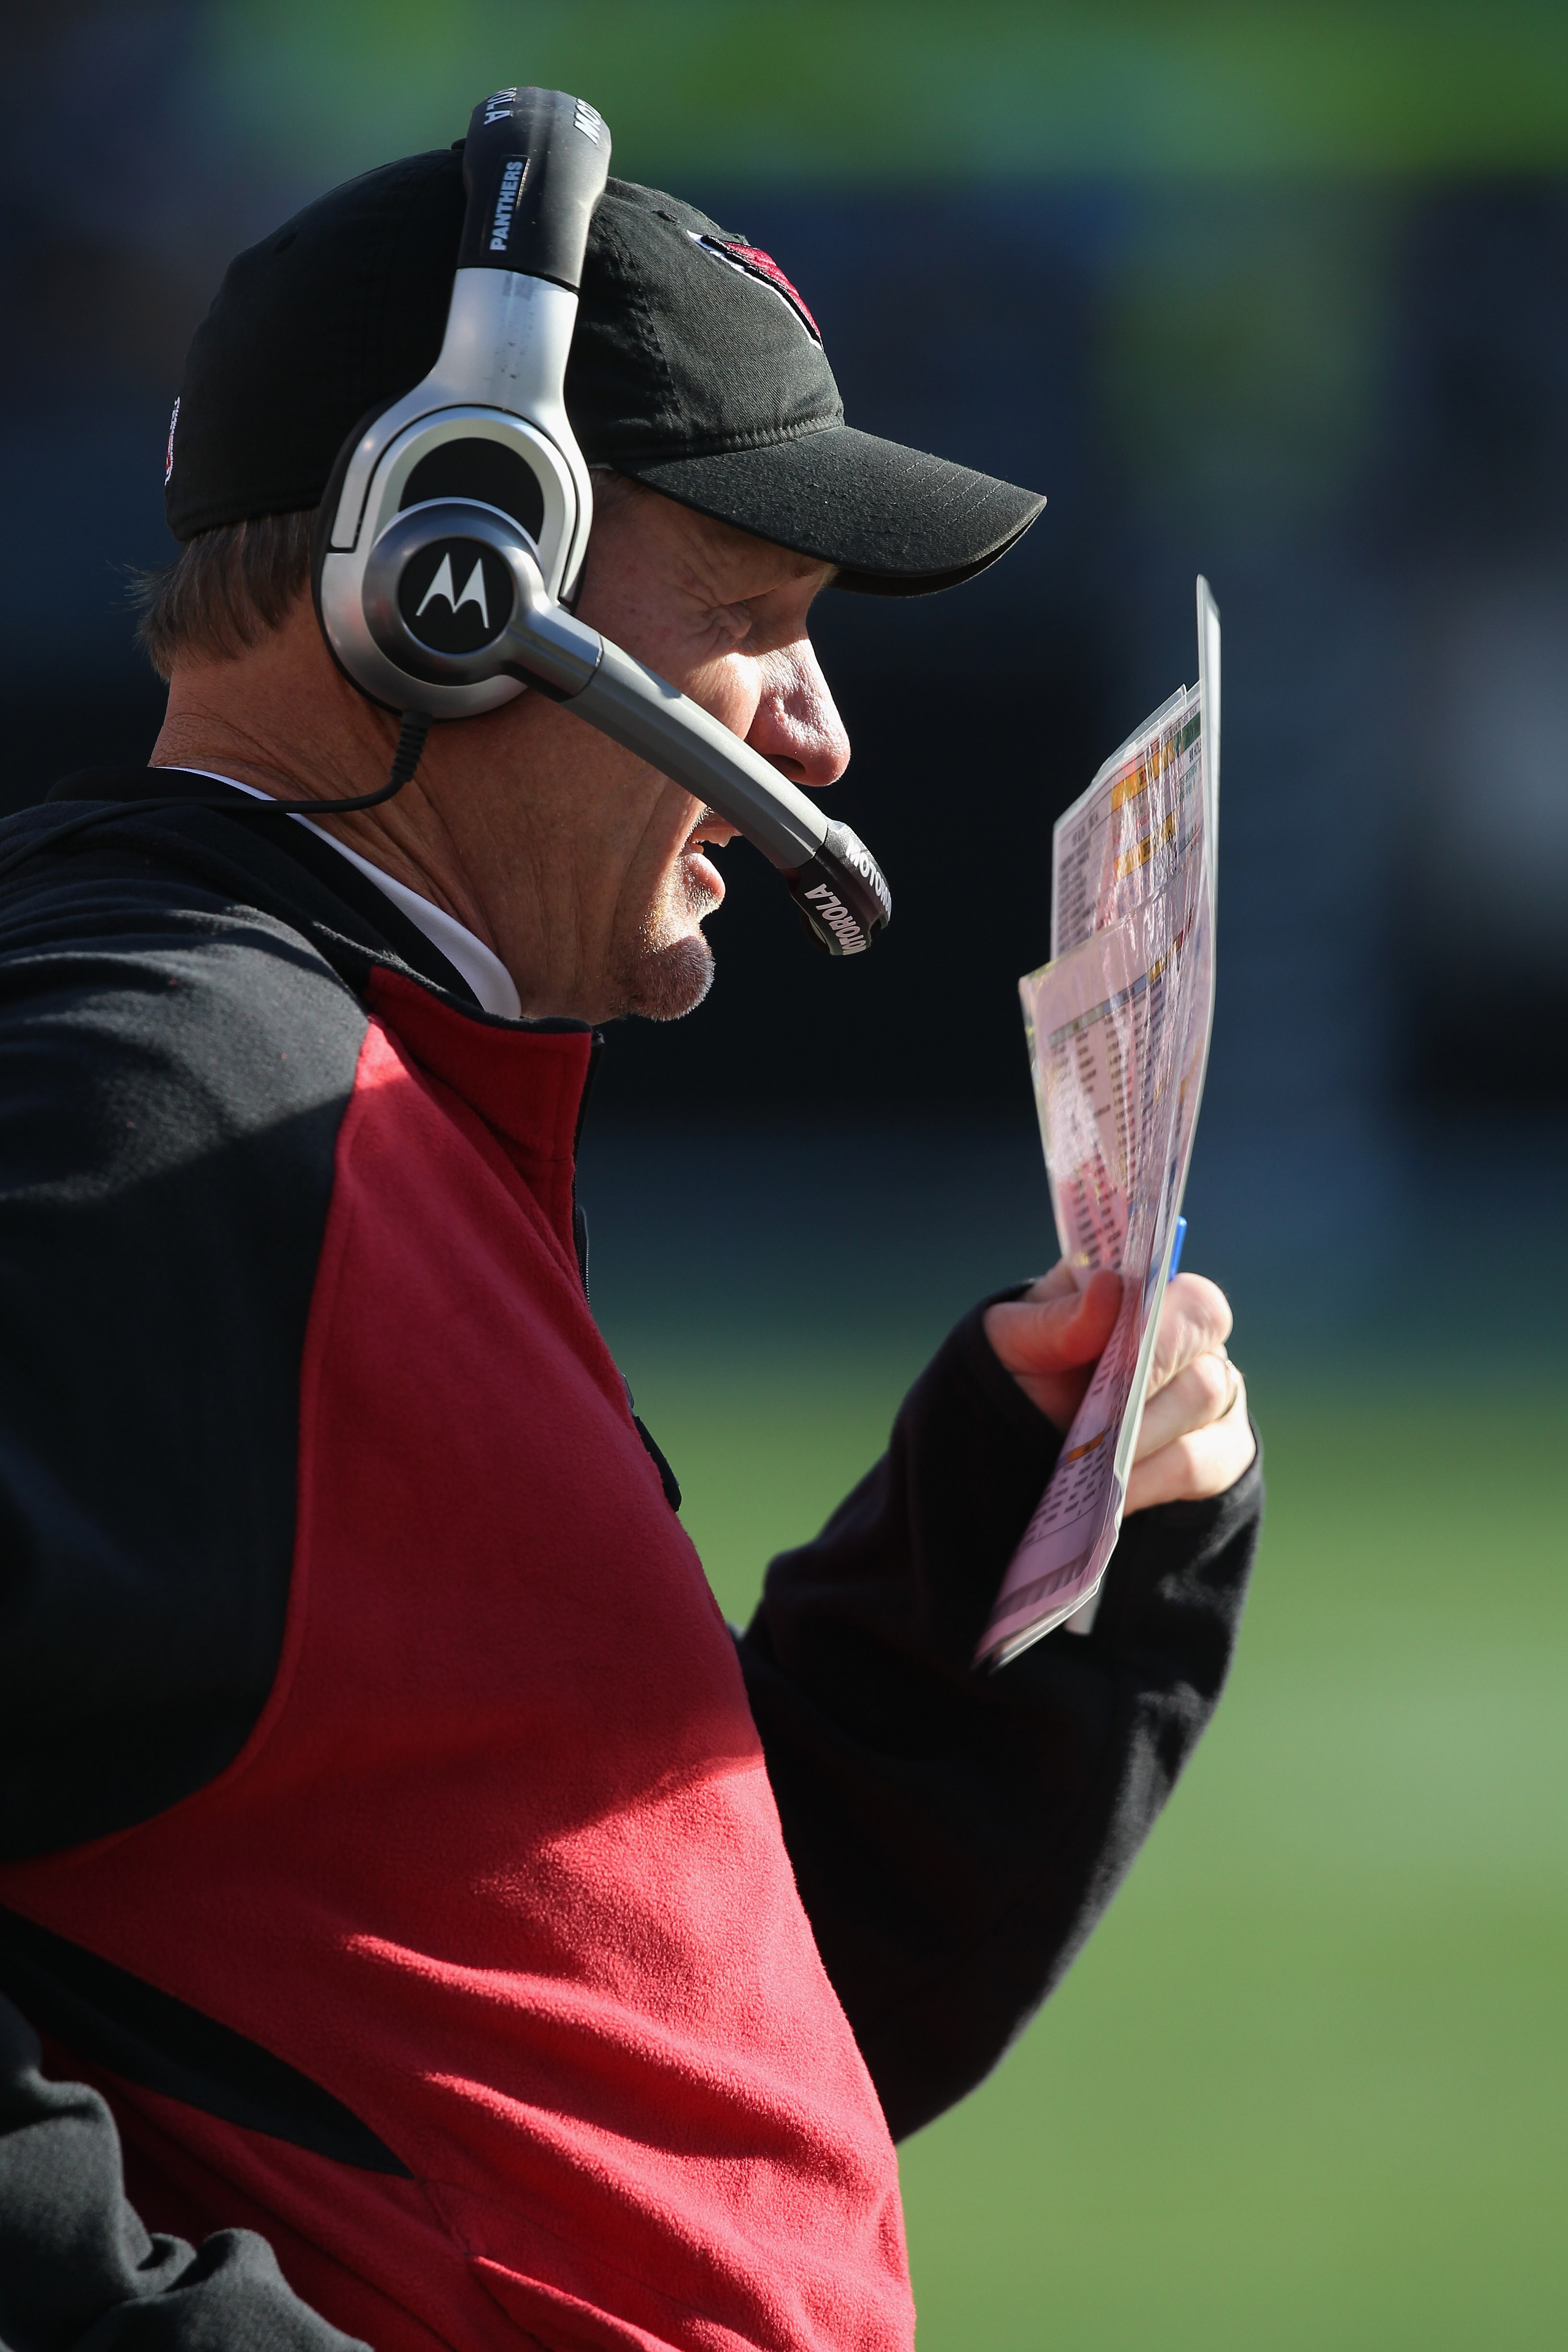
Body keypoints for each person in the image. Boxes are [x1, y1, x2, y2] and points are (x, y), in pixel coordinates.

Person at [0, 141, 1260, 2352]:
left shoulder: (348, 1073)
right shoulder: (165, 1102)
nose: (821, 728)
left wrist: (1015, 1551)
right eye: (762, 617)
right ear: (450, 580)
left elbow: (642, 2044)